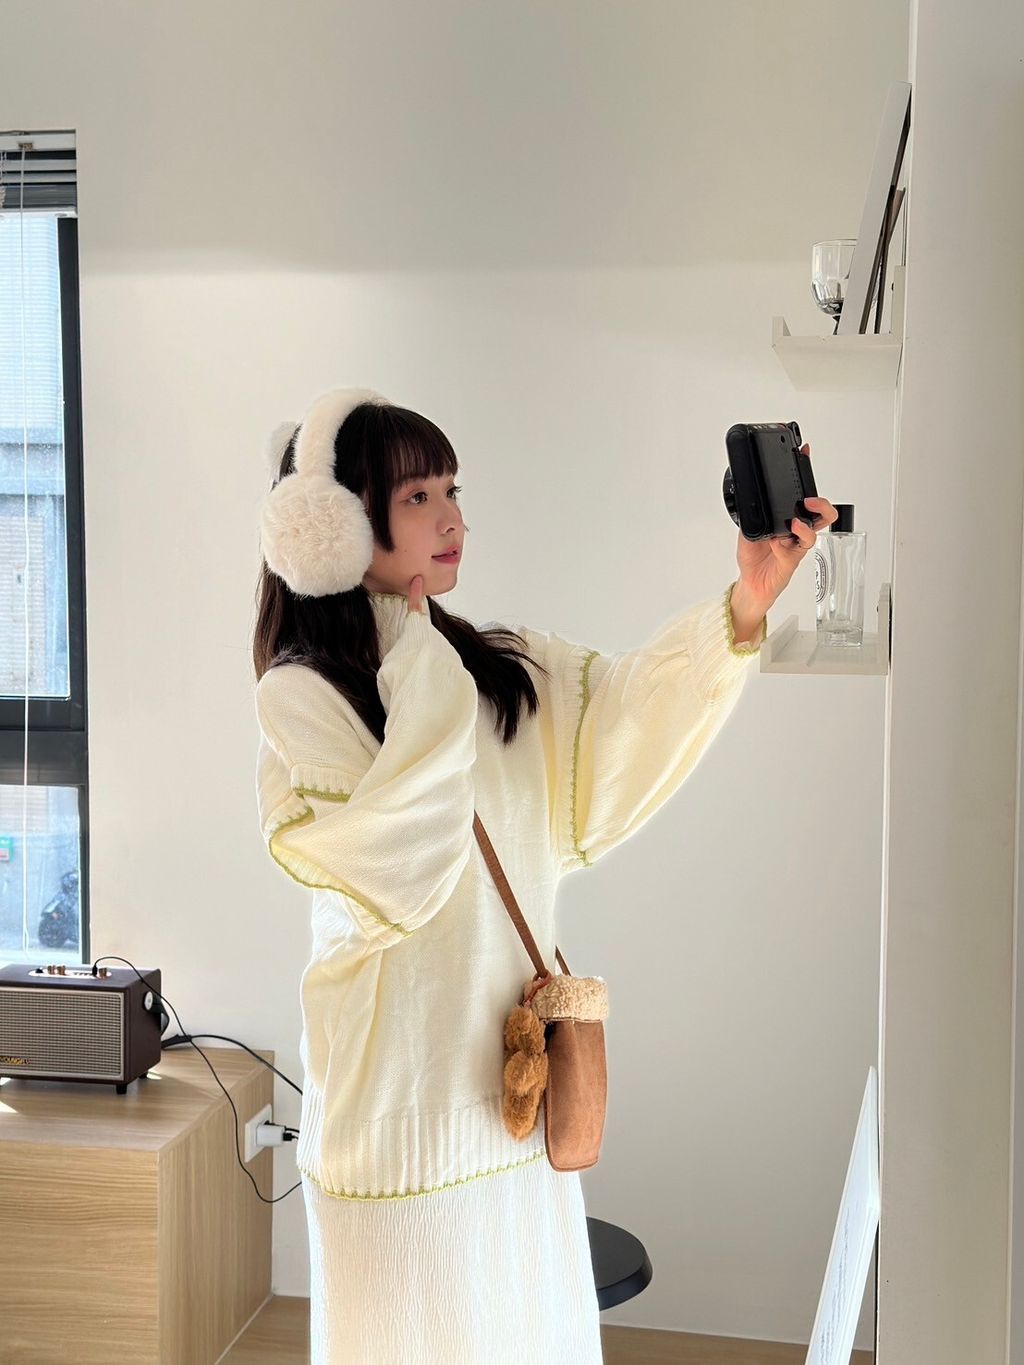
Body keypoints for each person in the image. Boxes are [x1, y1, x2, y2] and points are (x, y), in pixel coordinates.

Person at [251, 387, 836, 1364]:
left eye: (453, 490)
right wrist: (417, 648)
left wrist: (747, 599)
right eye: (417, 497)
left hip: (518, 1116)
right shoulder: (304, 698)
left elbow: (626, 714)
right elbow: (402, 872)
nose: (451, 518)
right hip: (395, 1121)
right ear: (333, 527)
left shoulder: (499, 670)